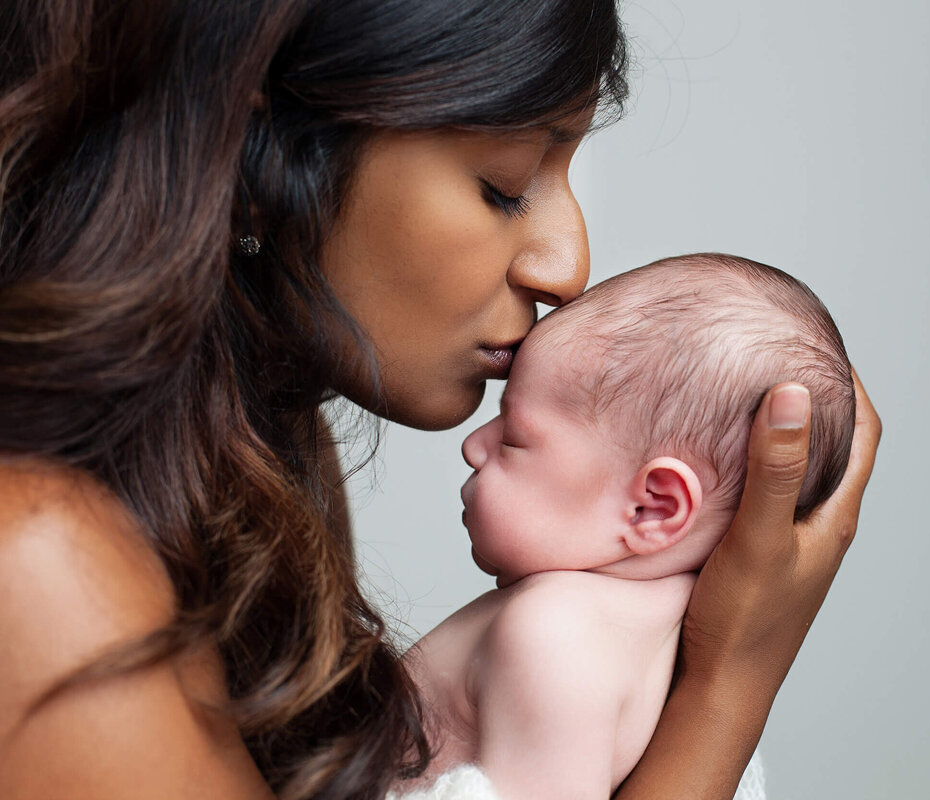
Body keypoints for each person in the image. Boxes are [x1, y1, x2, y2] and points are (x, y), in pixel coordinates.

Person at [0, 2, 881, 800]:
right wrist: (727, 691)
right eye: (502, 185)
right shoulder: (36, 569)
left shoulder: (254, 475)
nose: (567, 266)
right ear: (252, 147)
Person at [398, 254, 856, 800]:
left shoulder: (554, 633)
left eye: (514, 436)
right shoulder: (670, 638)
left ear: (654, 508)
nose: (474, 446)